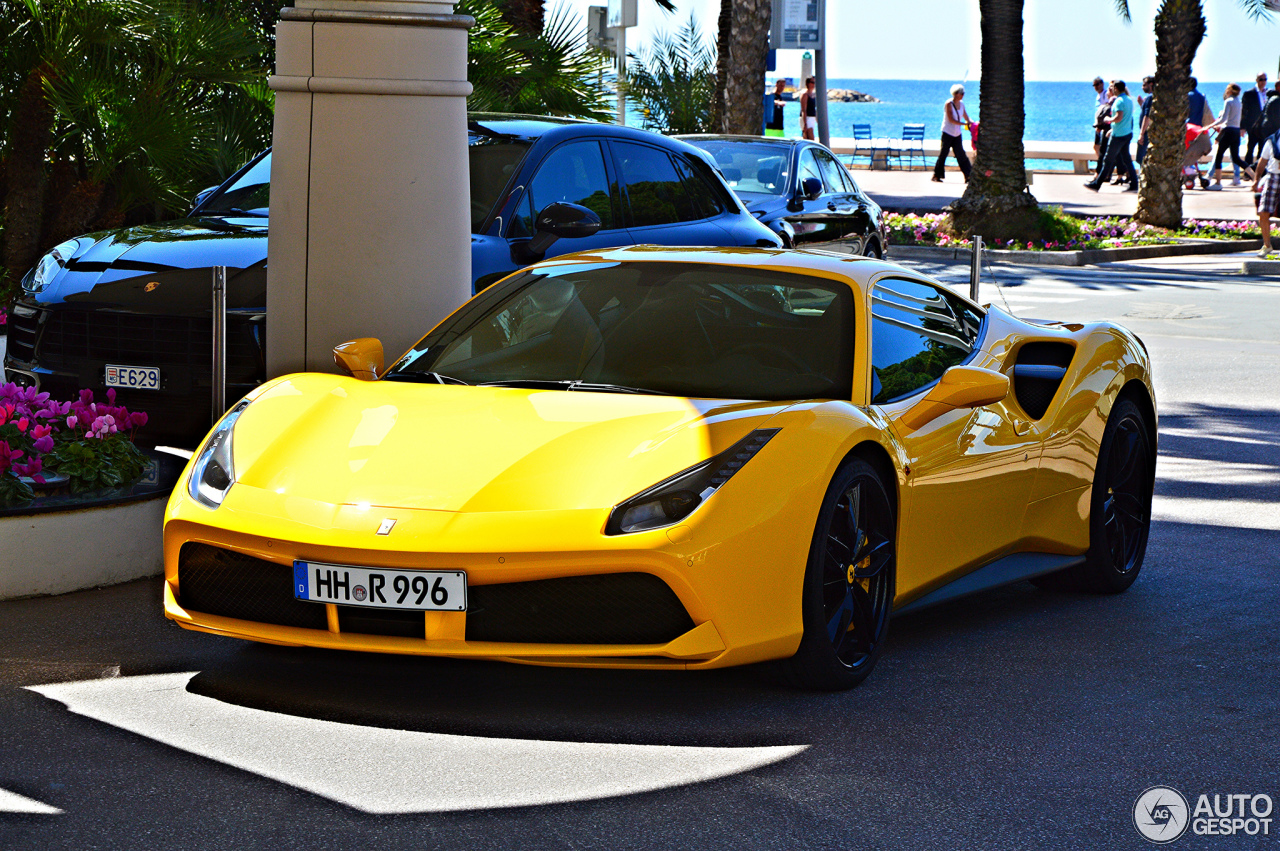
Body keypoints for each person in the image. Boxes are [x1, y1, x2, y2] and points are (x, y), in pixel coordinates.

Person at [1085, 80, 1138, 192]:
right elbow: (1126, 118)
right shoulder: (1129, 100)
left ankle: (1097, 184)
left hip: (1118, 135)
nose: (1111, 90)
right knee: (1127, 159)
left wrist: (1108, 120)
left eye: (1113, 88)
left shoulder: (1118, 101)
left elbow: (1119, 117)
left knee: (1107, 160)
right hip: (1127, 133)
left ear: (1116, 89)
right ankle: (1134, 183)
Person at [1208, 83, 1248, 187]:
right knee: (1236, 158)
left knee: (1218, 156)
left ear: (1229, 90)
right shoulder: (1239, 102)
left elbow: (1223, 119)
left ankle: (1218, 183)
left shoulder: (1228, 101)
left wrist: (1210, 125)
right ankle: (1254, 178)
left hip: (1228, 131)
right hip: (1236, 131)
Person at [932, 84, 972, 182]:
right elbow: (951, 120)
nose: (963, 95)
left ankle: (969, 175)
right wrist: (964, 124)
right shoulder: (949, 104)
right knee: (944, 153)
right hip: (947, 132)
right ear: (956, 94)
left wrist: (971, 122)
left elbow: (966, 116)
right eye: (961, 93)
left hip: (957, 133)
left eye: (963, 93)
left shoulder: (962, 104)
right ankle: (937, 175)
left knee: (961, 154)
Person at [1251, 126, 1280, 257]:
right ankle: (1267, 245)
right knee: (1263, 211)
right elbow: (1262, 162)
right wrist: (1256, 180)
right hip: (1273, 176)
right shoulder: (1272, 141)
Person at [1243, 73, 1269, 165]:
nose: (1263, 82)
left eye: (1265, 79)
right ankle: (1248, 172)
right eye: (1261, 79)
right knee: (1250, 149)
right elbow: (1244, 111)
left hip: (1264, 127)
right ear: (1257, 80)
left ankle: (1258, 171)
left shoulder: (1268, 93)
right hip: (1253, 127)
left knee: (1262, 150)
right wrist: (1243, 127)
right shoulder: (1249, 93)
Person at [1136, 76, 1155, 164]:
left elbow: (1147, 116)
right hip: (1151, 133)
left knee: (1142, 159)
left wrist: (1141, 134)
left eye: (1144, 85)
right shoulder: (1154, 97)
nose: (1142, 87)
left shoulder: (1150, 98)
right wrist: (1142, 105)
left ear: (1151, 84)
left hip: (1146, 134)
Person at [1092, 77, 1108, 166]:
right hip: (1098, 125)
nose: (1096, 87)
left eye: (1097, 84)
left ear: (1102, 84)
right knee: (1096, 147)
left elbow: (1106, 110)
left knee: (1101, 148)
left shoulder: (1105, 94)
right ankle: (1102, 166)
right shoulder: (1098, 96)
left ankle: (1103, 167)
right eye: (1094, 85)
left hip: (1102, 126)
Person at [799, 77, 817, 141]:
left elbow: (814, 108)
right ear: (808, 83)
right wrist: (805, 124)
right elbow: (803, 110)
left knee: (809, 138)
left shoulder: (813, 95)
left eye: (815, 82)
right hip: (807, 118)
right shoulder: (805, 95)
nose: (814, 84)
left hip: (812, 118)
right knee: (810, 138)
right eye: (812, 82)